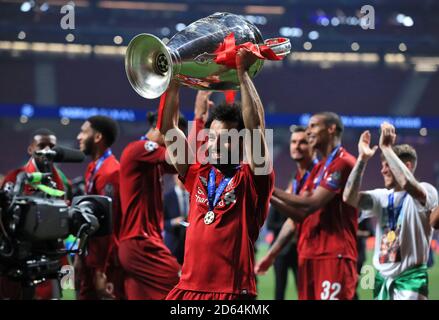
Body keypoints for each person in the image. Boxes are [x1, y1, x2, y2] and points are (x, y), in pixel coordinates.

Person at [160, 49, 274, 300]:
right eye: (211, 138)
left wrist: (243, 73)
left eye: (224, 140)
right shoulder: (198, 173)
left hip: (231, 293)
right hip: (187, 289)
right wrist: (174, 80)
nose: (214, 145)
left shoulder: (254, 179)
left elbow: (256, 129)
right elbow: (167, 128)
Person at [118, 90, 210, 300]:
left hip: (139, 244)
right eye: (176, 137)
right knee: (185, 285)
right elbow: (178, 154)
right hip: (141, 243)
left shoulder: (150, 159)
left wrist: (200, 122)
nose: (178, 142)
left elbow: (189, 163)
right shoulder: (139, 149)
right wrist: (197, 120)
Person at [343, 123, 438, 300]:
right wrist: (362, 159)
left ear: (407, 166)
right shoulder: (381, 196)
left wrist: (386, 147)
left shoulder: (426, 191)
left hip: (410, 281)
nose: (383, 170)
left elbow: (408, 184)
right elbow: (349, 197)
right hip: (381, 279)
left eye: (388, 165)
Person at [270, 112, 358, 300]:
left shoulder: (343, 162)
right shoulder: (319, 168)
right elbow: (299, 215)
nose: (308, 132)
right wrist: (268, 196)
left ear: (331, 129)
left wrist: (269, 190)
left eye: (313, 126)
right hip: (309, 253)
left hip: (334, 254)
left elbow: (311, 204)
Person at [0, 128, 72, 300]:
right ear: (31, 149)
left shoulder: (63, 181)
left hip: (55, 250)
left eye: (51, 146)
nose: (47, 150)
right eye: (42, 145)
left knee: (68, 288)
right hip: (22, 254)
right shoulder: (15, 177)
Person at [255, 125, 316, 299]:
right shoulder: (298, 178)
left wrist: (268, 190)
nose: (296, 146)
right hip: (306, 253)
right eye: (293, 142)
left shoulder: (319, 173)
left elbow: (303, 212)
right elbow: (292, 221)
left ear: (314, 145)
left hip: (325, 256)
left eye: (303, 142)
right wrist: (270, 255)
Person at [76, 115, 124, 300]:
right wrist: (81, 255)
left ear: (97, 137)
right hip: (91, 255)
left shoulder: (111, 171)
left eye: (84, 131)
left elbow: (110, 225)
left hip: (105, 261)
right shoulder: (93, 168)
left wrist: (101, 269)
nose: (79, 136)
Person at [164, 175, 190, 265]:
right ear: (174, 178)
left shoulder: (193, 195)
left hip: (189, 244)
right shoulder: (167, 197)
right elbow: (162, 223)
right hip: (173, 244)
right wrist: (173, 222)